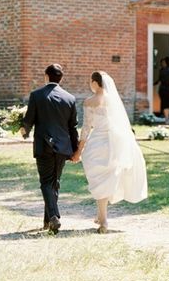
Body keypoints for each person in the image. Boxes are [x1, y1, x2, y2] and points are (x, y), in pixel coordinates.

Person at [72, 71, 148, 232]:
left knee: (99, 180)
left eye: (90, 82)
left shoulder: (89, 101)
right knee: (107, 180)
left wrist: (79, 150)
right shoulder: (114, 100)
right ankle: (101, 216)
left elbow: (86, 129)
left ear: (95, 83)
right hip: (115, 144)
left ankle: (103, 220)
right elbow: (121, 124)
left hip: (97, 144)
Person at [20, 62, 79, 233]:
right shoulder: (70, 98)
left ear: (46, 76)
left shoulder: (37, 95)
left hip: (44, 145)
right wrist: (75, 150)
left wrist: (24, 131)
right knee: (55, 183)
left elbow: (29, 119)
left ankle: (54, 216)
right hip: (63, 148)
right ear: (61, 78)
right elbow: (73, 127)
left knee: (46, 182)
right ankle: (48, 223)